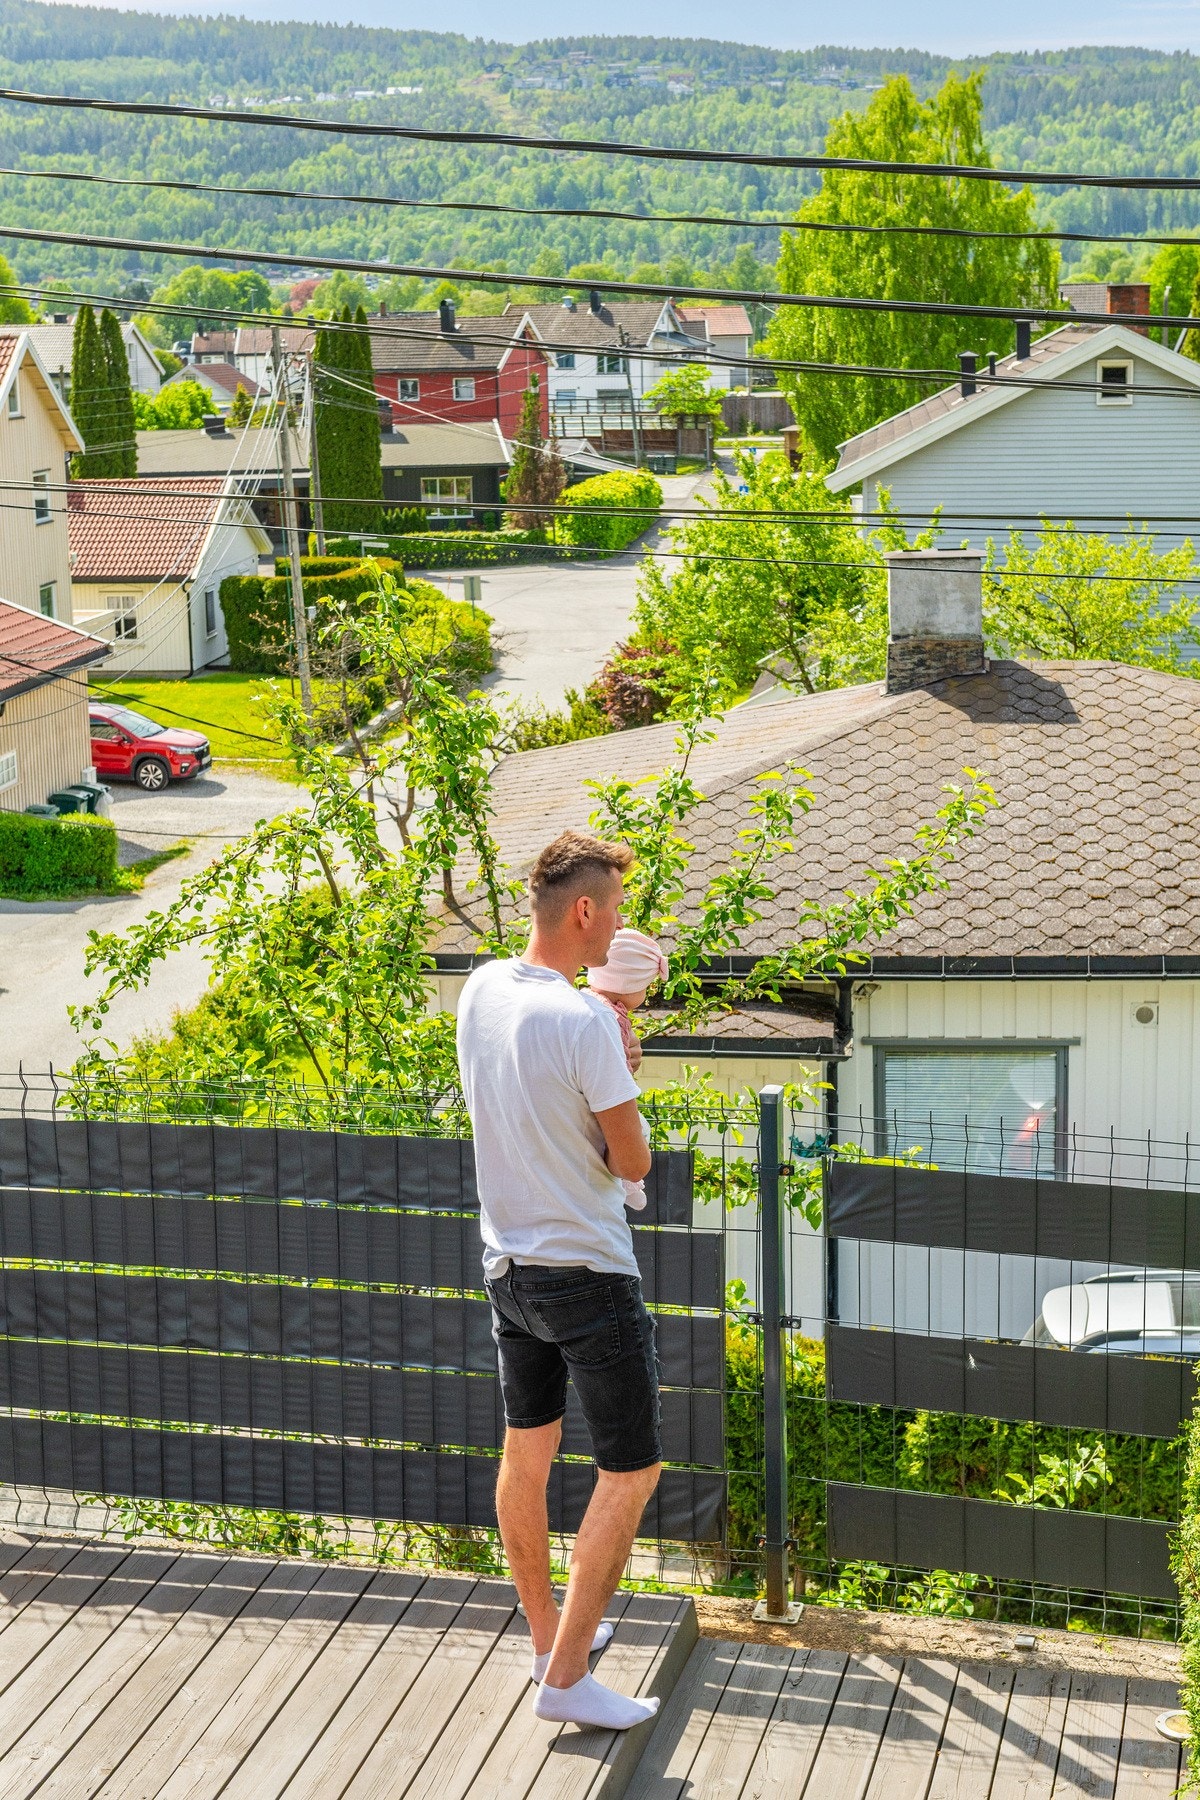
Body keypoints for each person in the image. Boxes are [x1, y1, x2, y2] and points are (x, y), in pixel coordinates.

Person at [456, 829, 662, 1732]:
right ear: (584, 912)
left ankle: (550, 1640)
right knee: (632, 1469)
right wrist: (619, 1063)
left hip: (508, 1268)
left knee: (525, 1453)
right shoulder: (583, 1024)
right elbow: (630, 1157)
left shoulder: (483, 986)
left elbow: (531, 1103)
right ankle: (570, 1679)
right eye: (613, 907)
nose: (618, 922)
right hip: (587, 1274)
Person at [585, 927, 670, 1212]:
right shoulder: (611, 1018)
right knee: (635, 1130)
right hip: (607, 1098)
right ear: (629, 984)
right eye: (646, 986)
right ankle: (626, 1186)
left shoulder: (586, 1002)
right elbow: (615, 1072)